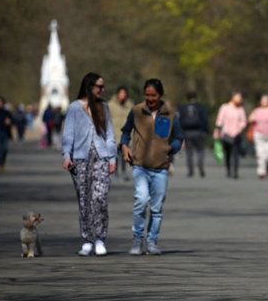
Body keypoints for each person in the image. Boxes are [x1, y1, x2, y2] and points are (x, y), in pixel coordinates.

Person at [120, 78, 183, 255]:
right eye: (147, 95)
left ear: (160, 95)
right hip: (140, 166)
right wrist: (124, 146)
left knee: (156, 208)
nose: (150, 98)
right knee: (141, 200)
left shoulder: (170, 114)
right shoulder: (137, 111)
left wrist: (172, 148)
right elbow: (125, 131)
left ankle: (152, 241)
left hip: (161, 168)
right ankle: (137, 240)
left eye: (153, 95)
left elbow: (178, 137)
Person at [62, 72, 117, 256]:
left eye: (103, 86)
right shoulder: (74, 108)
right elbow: (68, 133)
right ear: (89, 86)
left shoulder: (104, 107)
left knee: (99, 198)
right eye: (99, 86)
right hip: (79, 158)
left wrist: (112, 158)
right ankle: (87, 239)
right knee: (84, 198)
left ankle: (100, 238)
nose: (102, 90)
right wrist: (66, 156)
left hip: (101, 156)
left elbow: (110, 133)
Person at [213, 91, 247, 179]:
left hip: (237, 134)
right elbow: (220, 120)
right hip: (226, 134)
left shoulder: (241, 109)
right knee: (227, 153)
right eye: (238, 97)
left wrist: (240, 127)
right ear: (232, 97)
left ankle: (235, 171)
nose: (240, 99)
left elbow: (244, 121)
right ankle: (228, 169)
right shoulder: (224, 107)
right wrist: (216, 131)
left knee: (236, 153)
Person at [248, 94, 268, 179]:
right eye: (262, 100)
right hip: (258, 134)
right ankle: (261, 172)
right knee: (260, 154)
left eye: (266, 100)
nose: (264, 102)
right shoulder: (257, 111)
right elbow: (250, 119)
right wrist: (251, 119)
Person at [178, 91, 209, 177]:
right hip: (198, 131)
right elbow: (205, 119)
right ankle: (200, 163)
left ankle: (191, 171)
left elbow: (179, 120)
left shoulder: (183, 108)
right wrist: (205, 130)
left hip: (187, 132)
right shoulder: (200, 107)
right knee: (200, 150)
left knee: (189, 152)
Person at [108, 85, 134, 181]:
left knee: (124, 155)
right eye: (121, 93)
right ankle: (114, 171)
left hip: (125, 133)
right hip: (114, 133)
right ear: (117, 94)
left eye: (124, 93)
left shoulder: (130, 105)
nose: (122, 95)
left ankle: (124, 171)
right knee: (115, 155)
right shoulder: (110, 105)